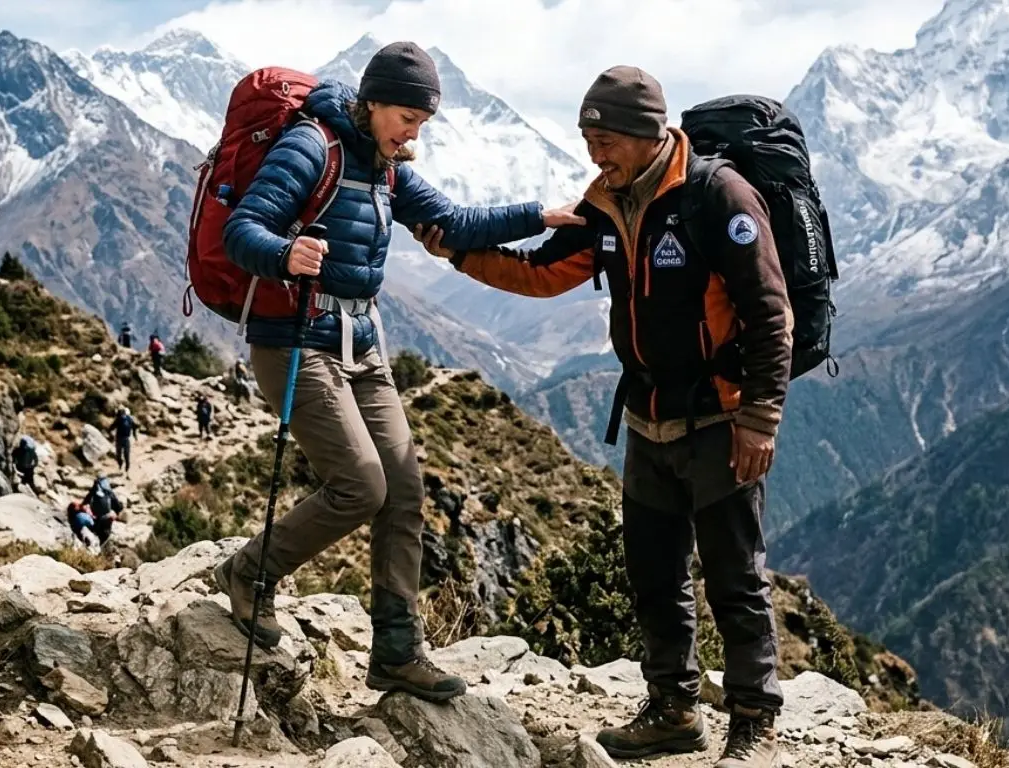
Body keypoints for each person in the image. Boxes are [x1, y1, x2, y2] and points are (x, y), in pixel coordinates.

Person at [411, 65, 789, 767]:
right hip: (647, 416)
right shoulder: (607, 204)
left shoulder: (716, 197)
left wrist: (760, 418)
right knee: (654, 572)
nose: (595, 152)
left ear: (648, 134)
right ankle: (674, 710)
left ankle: (754, 725)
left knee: (734, 574)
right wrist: (458, 252)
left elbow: (770, 310)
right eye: (587, 137)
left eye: (606, 138)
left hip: (719, 417)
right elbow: (540, 272)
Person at [213, 40, 583, 703]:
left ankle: (395, 652)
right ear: (374, 100)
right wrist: (284, 253)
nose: (413, 133)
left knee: (404, 489)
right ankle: (248, 574)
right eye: (406, 118)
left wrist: (540, 215)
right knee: (360, 486)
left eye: (422, 123)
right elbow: (243, 230)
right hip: (296, 340)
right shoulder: (311, 147)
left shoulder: (386, 167)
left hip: (362, 345)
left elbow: (453, 221)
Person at [82, 476, 123, 547]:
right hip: (106, 519)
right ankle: (100, 552)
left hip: (94, 518)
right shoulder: (109, 493)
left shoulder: (93, 491)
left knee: (91, 537)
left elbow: (85, 502)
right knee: (103, 539)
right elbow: (118, 507)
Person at [109, 406, 137, 475]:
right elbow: (112, 427)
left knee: (126, 455)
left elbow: (134, 426)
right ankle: (121, 465)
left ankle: (127, 470)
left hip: (124, 439)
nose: (122, 416)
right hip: (120, 438)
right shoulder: (119, 419)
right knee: (119, 455)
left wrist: (134, 435)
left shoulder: (129, 419)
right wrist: (110, 432)